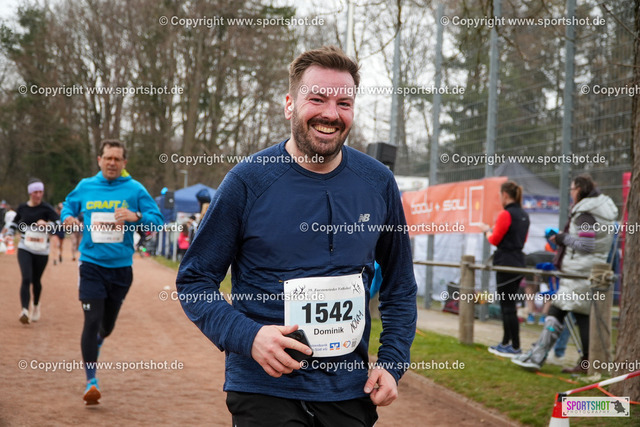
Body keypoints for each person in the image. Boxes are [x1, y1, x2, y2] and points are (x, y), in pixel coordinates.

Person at [176, 45, 417, 427]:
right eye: (317, 99)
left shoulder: (379, 183)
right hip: (264, 390)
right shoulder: (247, 181)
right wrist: (249, 336)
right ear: (290, 105)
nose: (331, 114)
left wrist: (392, 362)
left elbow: (400, 285)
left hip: (348, 392)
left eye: (343, 103)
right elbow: (194, 280)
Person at [61, 140, 163, 405]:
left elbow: (158, 221)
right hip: (91, 265)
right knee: (91, 320)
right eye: (108, 158)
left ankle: (100, 338)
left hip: (121, 270)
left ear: (124, 163)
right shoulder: (86, 186)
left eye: (117, 159)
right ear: (99, 160)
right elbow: (68, 207)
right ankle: (91, 381)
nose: (112, 163)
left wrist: (136, 217)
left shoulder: (135, 189)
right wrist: (68, 218)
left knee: (106, 327)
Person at [512, 174, 618, 372]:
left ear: (579, 190)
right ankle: (582, 362)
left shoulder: (585, 213)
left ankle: (540, 356)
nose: (571, 194)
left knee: (561, 312)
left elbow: (586, 244)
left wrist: (562, 238)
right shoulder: (596, 210)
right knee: (576, 315)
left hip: (580, 272)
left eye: (572, 189)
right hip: (583, 271)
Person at [480, 181, 530, 358]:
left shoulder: (506, 214)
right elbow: (522, 240)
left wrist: (487, 231)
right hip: (519, 262)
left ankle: (514, 346)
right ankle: (506, 343)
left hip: (505, 263)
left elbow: (495, 239)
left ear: (505, 195)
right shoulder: (524, 215)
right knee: (510, 305)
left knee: (507, 306)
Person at [4, 179, 59, 324]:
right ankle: (24, 310)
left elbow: (58, 224)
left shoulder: (47, 208)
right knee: (26, 278)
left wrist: (47, 224)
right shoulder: (23, 208)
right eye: (35, 192)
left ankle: (35, 306)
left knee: (36, 280)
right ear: (30, 193)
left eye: (41, 192)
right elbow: (14, 223)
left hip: (41, 250)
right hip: (25, 247)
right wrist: (9, 234)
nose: (38, 195)